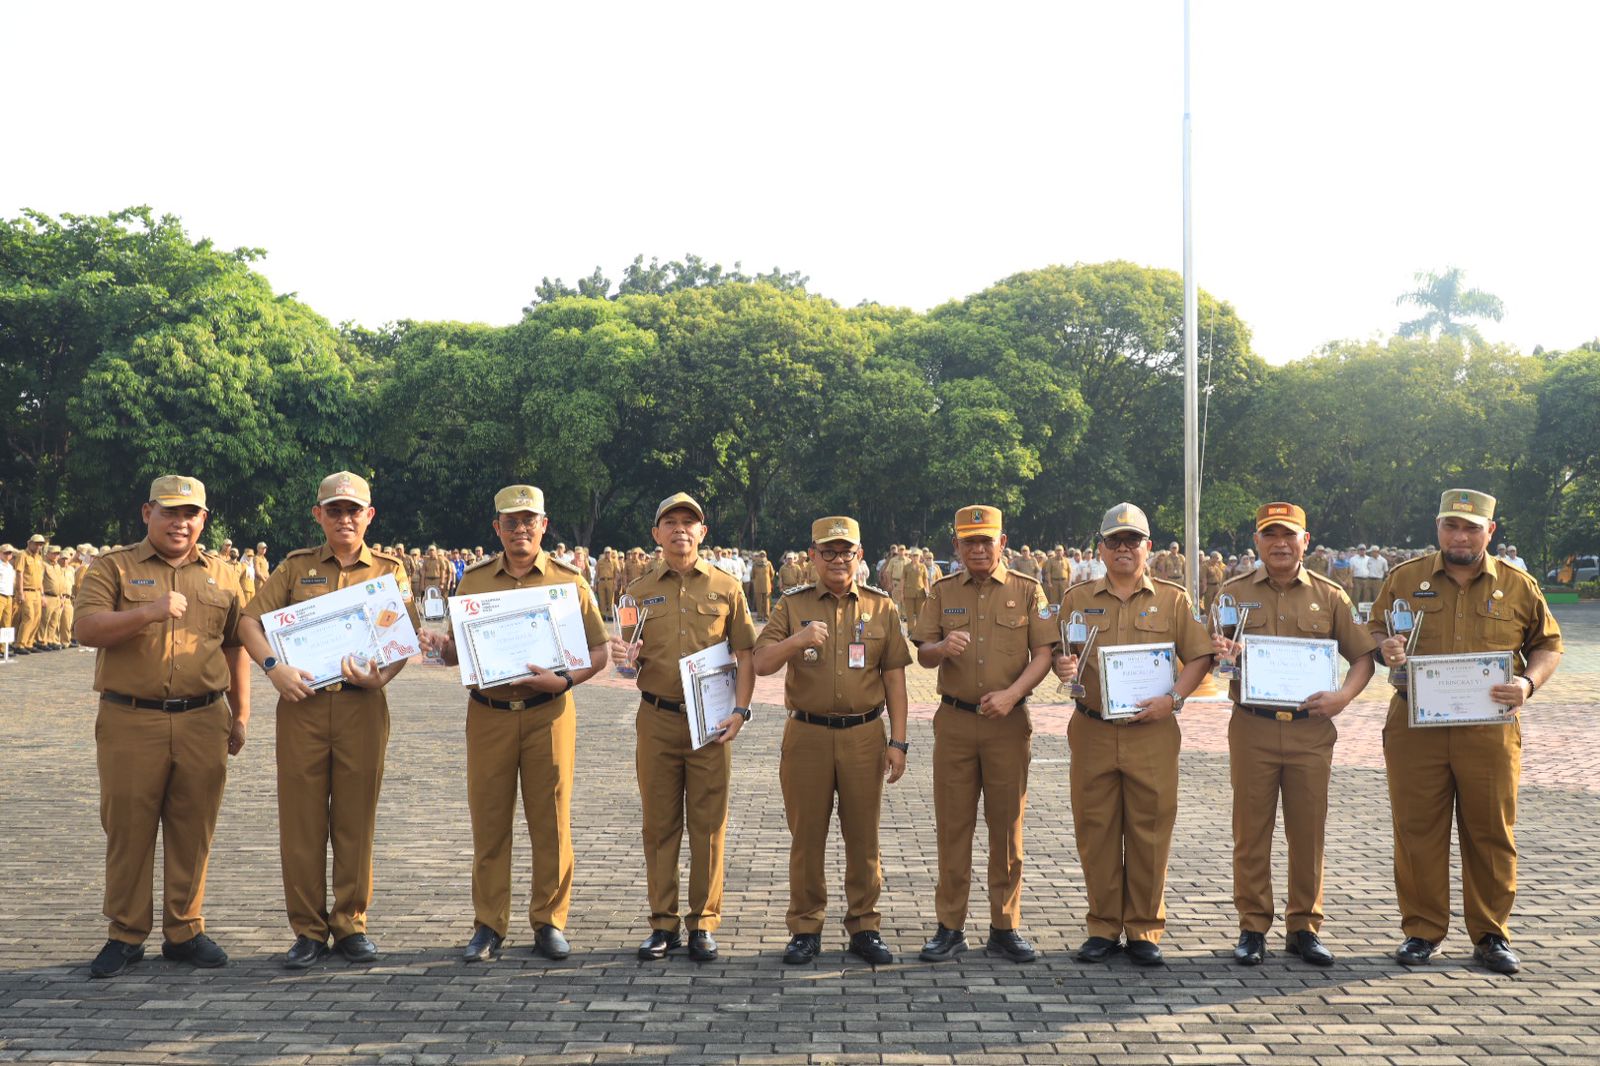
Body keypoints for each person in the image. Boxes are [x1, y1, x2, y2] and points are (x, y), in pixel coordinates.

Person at [1371, 489, 1562, 975]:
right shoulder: (1404, 579)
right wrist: (1385, 648)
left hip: (1489, 731)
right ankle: (1422, 929)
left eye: (1471, 528)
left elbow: (1548, 645)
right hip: (1416, 726)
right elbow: (1373, 632)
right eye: (1451, 526)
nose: (1460, 536)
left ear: (1489, 532)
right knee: (1417, 831)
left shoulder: (1518, 585)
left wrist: (1527, 681)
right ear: (1437, 527)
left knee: (1491, 833)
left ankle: (1491, 934)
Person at [419, 486, 610, 963]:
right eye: (511, 522)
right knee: (489, 823)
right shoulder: (474, 581)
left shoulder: (570, 581)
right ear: (496, 529)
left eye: (529, 521)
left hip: (549, 714)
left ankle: (549, 921)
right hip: (489, 714)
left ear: (544, 526)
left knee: (551, 823)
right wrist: (443, 651)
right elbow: (462, 652)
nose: (520, 530)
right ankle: (489, 924)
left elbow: (601, 651)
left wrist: (564, 680)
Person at [237, 471, 418, 970]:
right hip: (303, 706)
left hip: (362, 705)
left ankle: (350, 923)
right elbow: (249, 621)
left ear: (369, 515)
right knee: (302, 821)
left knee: (356, 820)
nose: (344, 518)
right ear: (318, 515)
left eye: (353, 510)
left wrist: (383, 677)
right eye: (334, 510)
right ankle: (308, 930)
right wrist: (273, 668)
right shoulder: (294, 569)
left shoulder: (388, 570)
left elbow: (401, 637)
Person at [73, 475, 250, 978]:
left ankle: (185, 929)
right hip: (131, 718)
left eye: (190, 514)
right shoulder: (114, 566)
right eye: (169, 512)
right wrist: (149, 612)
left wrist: (241, 714)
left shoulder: (223, 574)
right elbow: (85, 628)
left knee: (194, 828)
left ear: (204, 520)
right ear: (146, 512)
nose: (180, 522)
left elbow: (236, 644)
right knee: (128, 828)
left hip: (203, 718)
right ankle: (125, 933)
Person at [1211, 503, 1375, 967]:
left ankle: (1304, 926)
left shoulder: (1331, 595)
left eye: (1289, 535)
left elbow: (1362, 658)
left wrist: (1342, 697)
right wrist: (1223, 651)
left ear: (1306, 540)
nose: (1280, 543)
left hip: (1310, 730)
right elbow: (1211, 653)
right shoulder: (1231, 593)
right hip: (1252, 727)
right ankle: (1253, 926)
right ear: (1257, 541)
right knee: (1250, 830)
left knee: (1308, 832)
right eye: (1270, 535)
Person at [1051, 504, 1212, 967]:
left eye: (1133, 540)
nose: (1123, 548)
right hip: (1093, 727)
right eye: (1114, 541)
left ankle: (1143, 928)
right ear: (1099, 548)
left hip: (1153, 731)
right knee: (1096, 829)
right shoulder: (1077, 598)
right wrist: (1064, 667)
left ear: (1149, 547)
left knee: (1151, 829)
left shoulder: (1174, 599)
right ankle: (1103, 925)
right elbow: (1065, 656)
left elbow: (1199, 658)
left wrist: (1175, 699)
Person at [754, 516, 912, 965]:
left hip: (865, 735)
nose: (838, 560)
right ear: (813, 557)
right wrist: (798, 640)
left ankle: (865, 926)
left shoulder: (882, 608)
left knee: (864, 837)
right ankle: (805, 927)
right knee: (807, 837)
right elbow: (762, 661)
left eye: (846, 552)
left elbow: (896, 682)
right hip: (807, 734)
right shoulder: (791, 606)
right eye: (828, 552)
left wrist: (898, 743)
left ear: (859, 556)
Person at [609, 493, 757, 962]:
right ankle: (662, 923)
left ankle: (703, 923)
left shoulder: (726, 588)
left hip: (711, 721)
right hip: (656, 718)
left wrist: (742, 710)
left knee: (709, 825)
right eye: (669, 522)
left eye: (688, 523)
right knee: (659, 824)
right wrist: (623, 663)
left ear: (702, 532)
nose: (679, 530)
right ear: (656, 535)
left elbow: (747, 655)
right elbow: (627, 664)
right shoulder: (636, 592)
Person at [911, 505, 1056, 963]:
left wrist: (1012, 695)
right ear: (955, 545)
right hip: (954, 722)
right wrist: (940, 647)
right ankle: (949, 926)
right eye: (968, 541)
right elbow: (923, 653)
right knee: (953, 827)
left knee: (1007, 827)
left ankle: (1004, 925)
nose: (977, 548)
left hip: (1007, 724)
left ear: (1002, 542)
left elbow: (1044, 654)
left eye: (985, 540)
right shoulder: (941, 591)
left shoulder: (1028, 591)